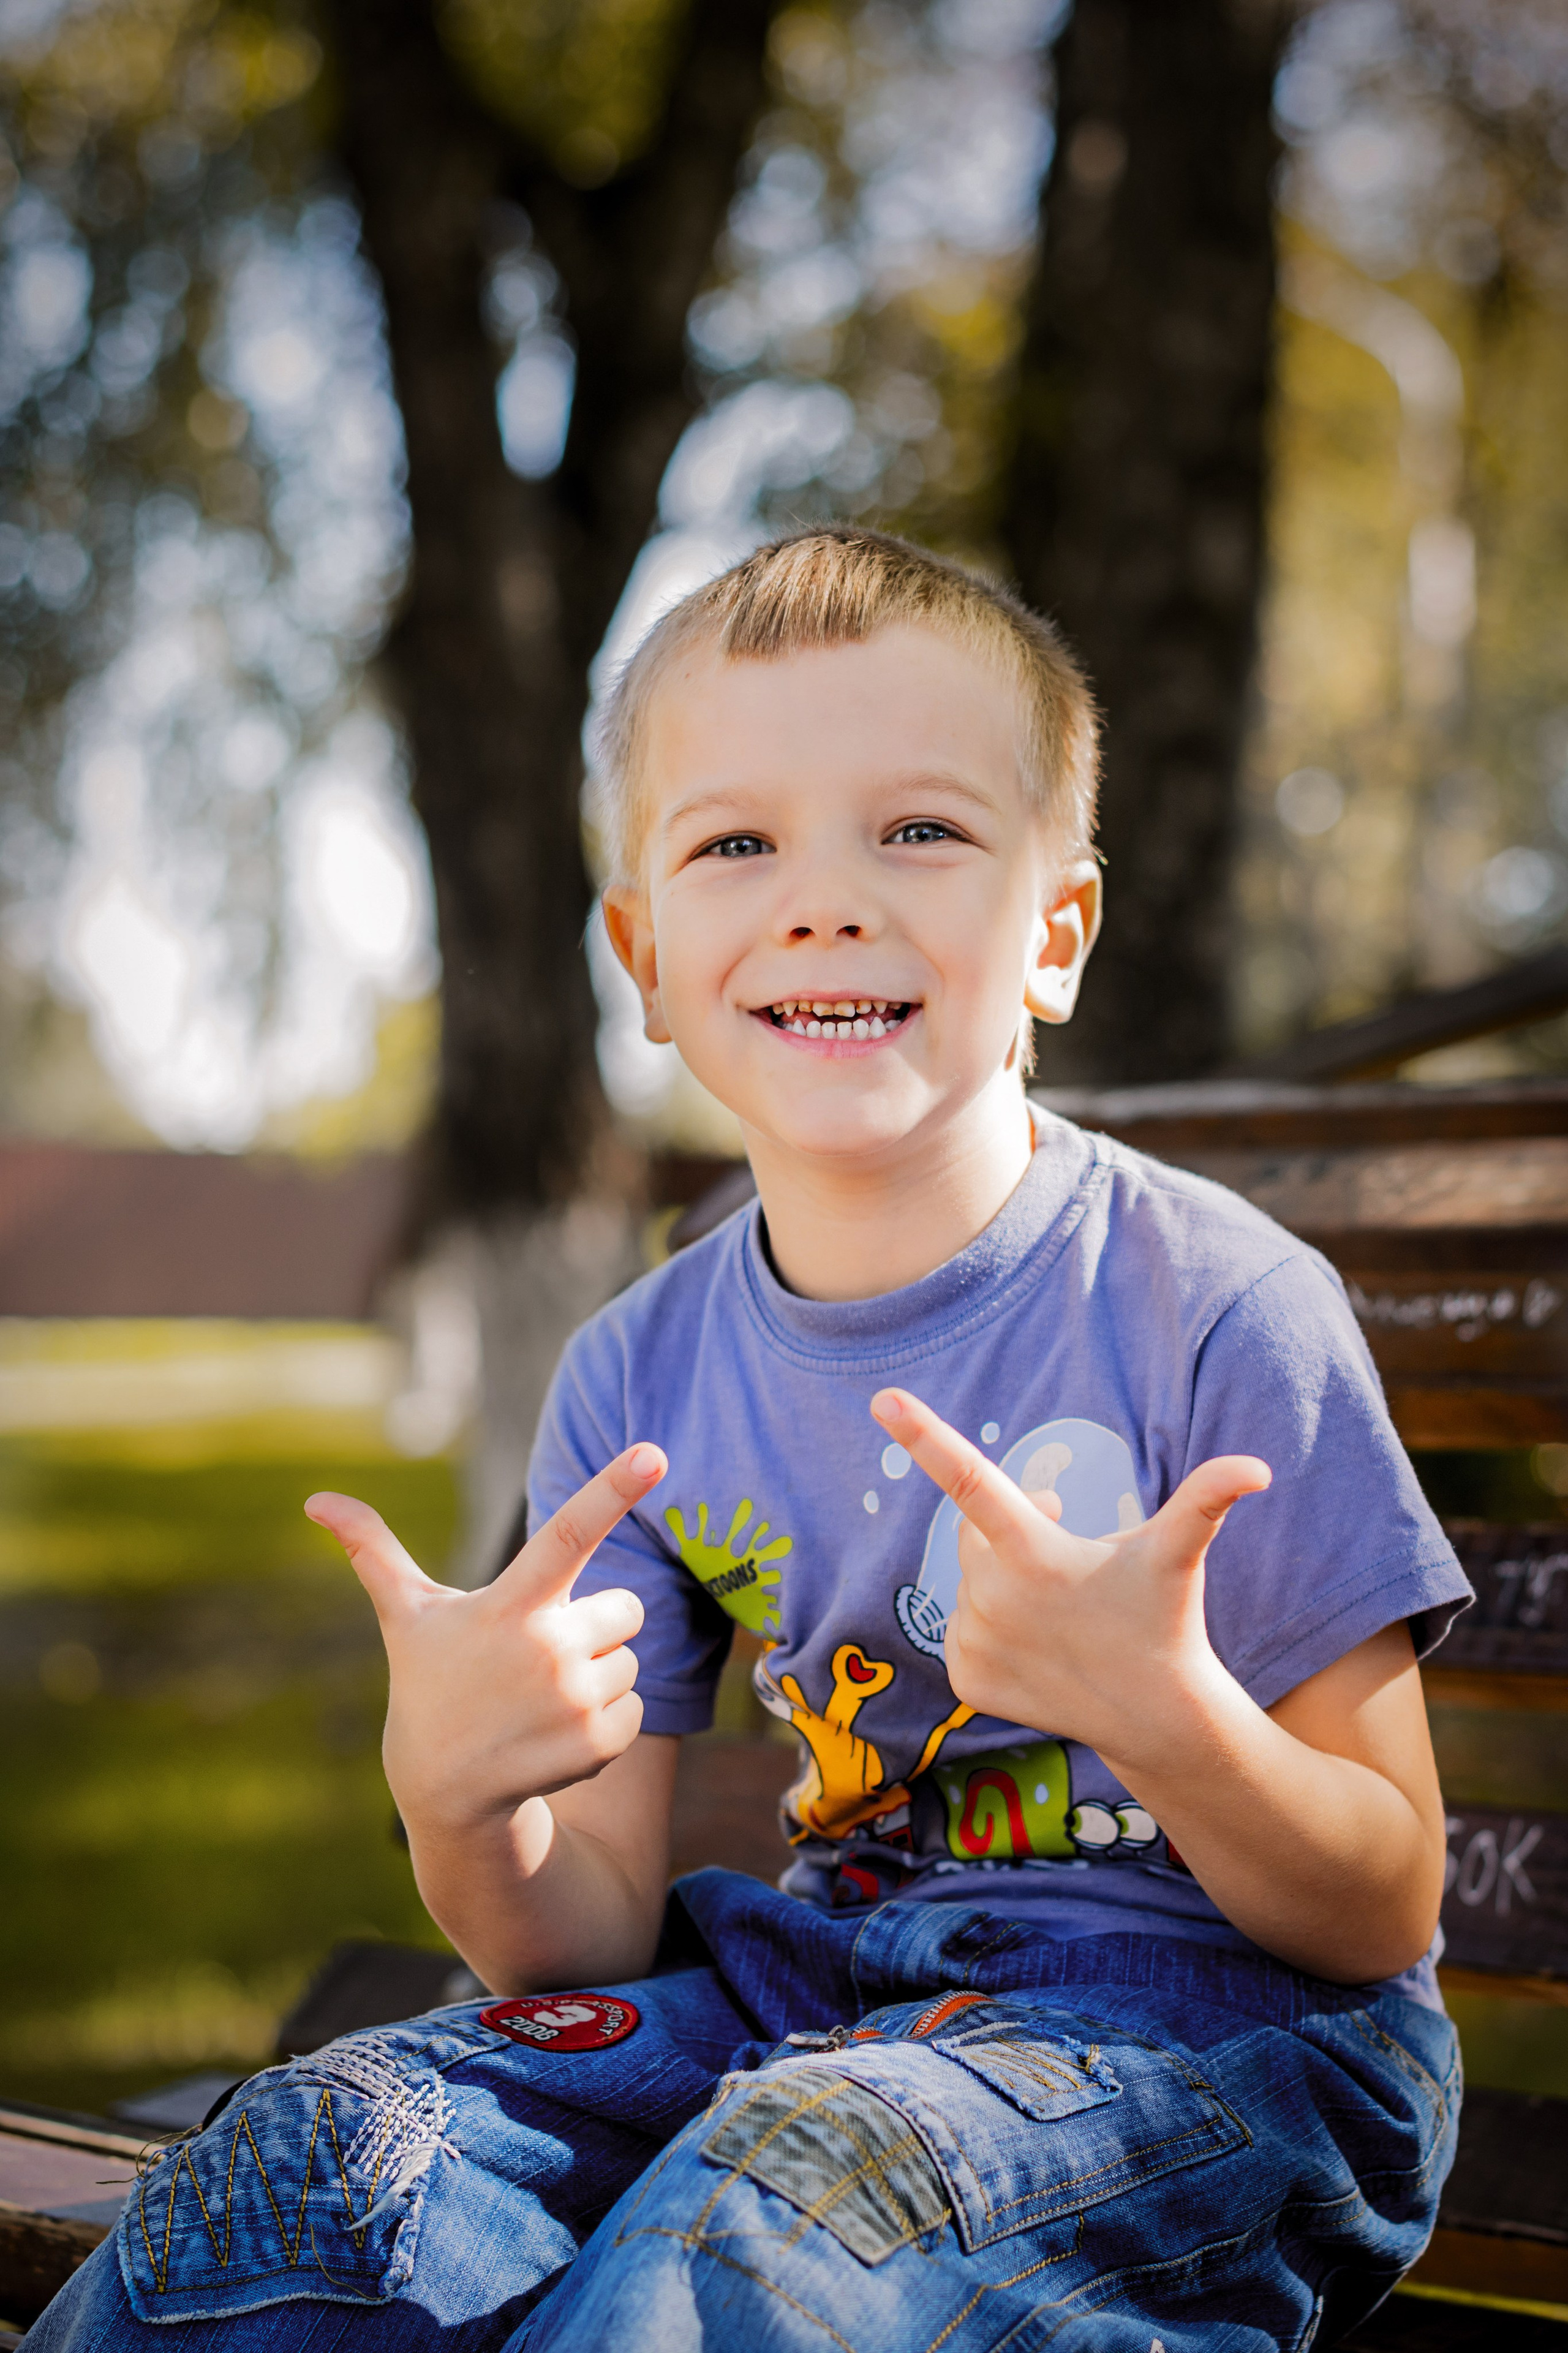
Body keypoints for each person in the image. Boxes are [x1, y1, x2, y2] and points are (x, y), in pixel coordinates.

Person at [36, 528, 1470, 2353]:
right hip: (825, 2006)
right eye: (737, 844)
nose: (823, 900)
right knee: (313, 2164)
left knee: (765, 2228)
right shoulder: (639, 1370)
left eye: (921, 829)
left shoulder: (1214, 1306)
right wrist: (461, 1802)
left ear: (1055, 933)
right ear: (645, 955)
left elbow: (1383, 1900)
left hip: (1231, 2038)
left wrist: (1167, 1711)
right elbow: (589, 1930)